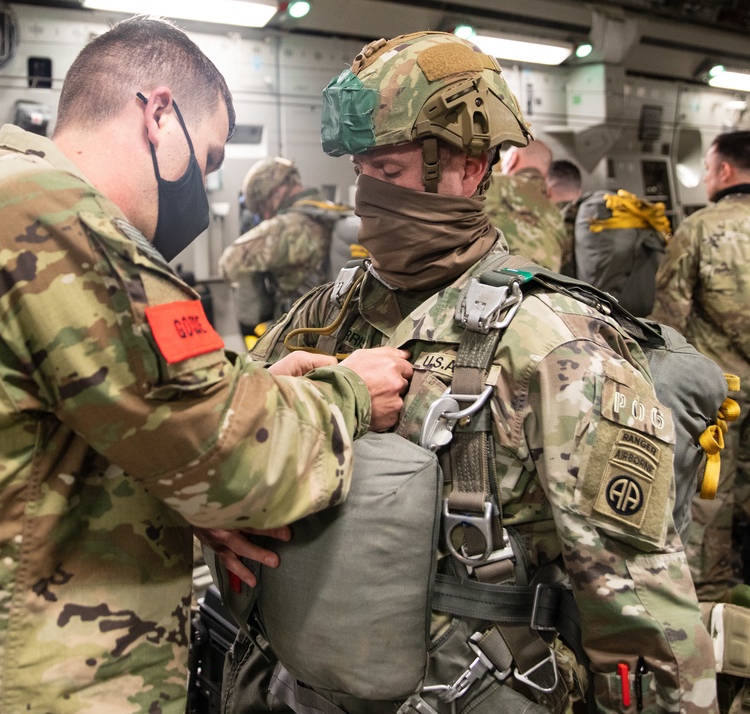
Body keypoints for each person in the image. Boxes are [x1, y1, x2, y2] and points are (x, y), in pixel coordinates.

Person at [0, 16, 414, 714]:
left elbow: (79, 429)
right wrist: (350, 392)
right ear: (158, 114)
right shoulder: (48, 216)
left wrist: (236, 409)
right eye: (209, 160)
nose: (207, 190)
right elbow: (238, 460)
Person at [208, 30, 717, 714]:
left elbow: (643, 608)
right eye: (361, 171)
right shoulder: (323, 317)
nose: (367, 195)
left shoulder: (555, 346)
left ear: (472, 168)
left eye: (387, 173)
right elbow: (211, 449)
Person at [651, 130, 750, 603]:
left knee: (712, 497)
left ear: (724, 172)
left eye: (708, 169)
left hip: (723, 395)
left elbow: (669, 324)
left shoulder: (698, 229)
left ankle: (710, 600)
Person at [219, 157, 360, 334]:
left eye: (263, 207)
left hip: (301, 335)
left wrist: (257, 315)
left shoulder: (285, 228)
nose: (266, 216)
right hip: (346, 329)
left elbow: (229, 264)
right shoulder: (337, 212)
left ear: (276, 192)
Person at [485, 137, 570, 272]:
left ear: (513, 159)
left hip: (493, 286)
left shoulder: (493, 185)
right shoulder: (557, 216)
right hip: (543, 290)